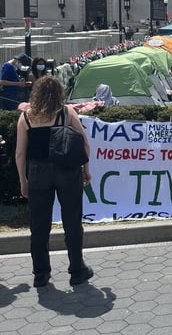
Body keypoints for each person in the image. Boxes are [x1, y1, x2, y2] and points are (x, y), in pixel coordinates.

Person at [15, 76, 93, 287]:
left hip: (38, 172)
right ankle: (77, 269)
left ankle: (41, 273)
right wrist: (86, 169)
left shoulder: (27, 117)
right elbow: (84, 143)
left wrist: (23, 180)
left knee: (39, 225)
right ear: (59, 93)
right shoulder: (66, 113)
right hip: (66, 170)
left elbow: (20, 153)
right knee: (72, 221)